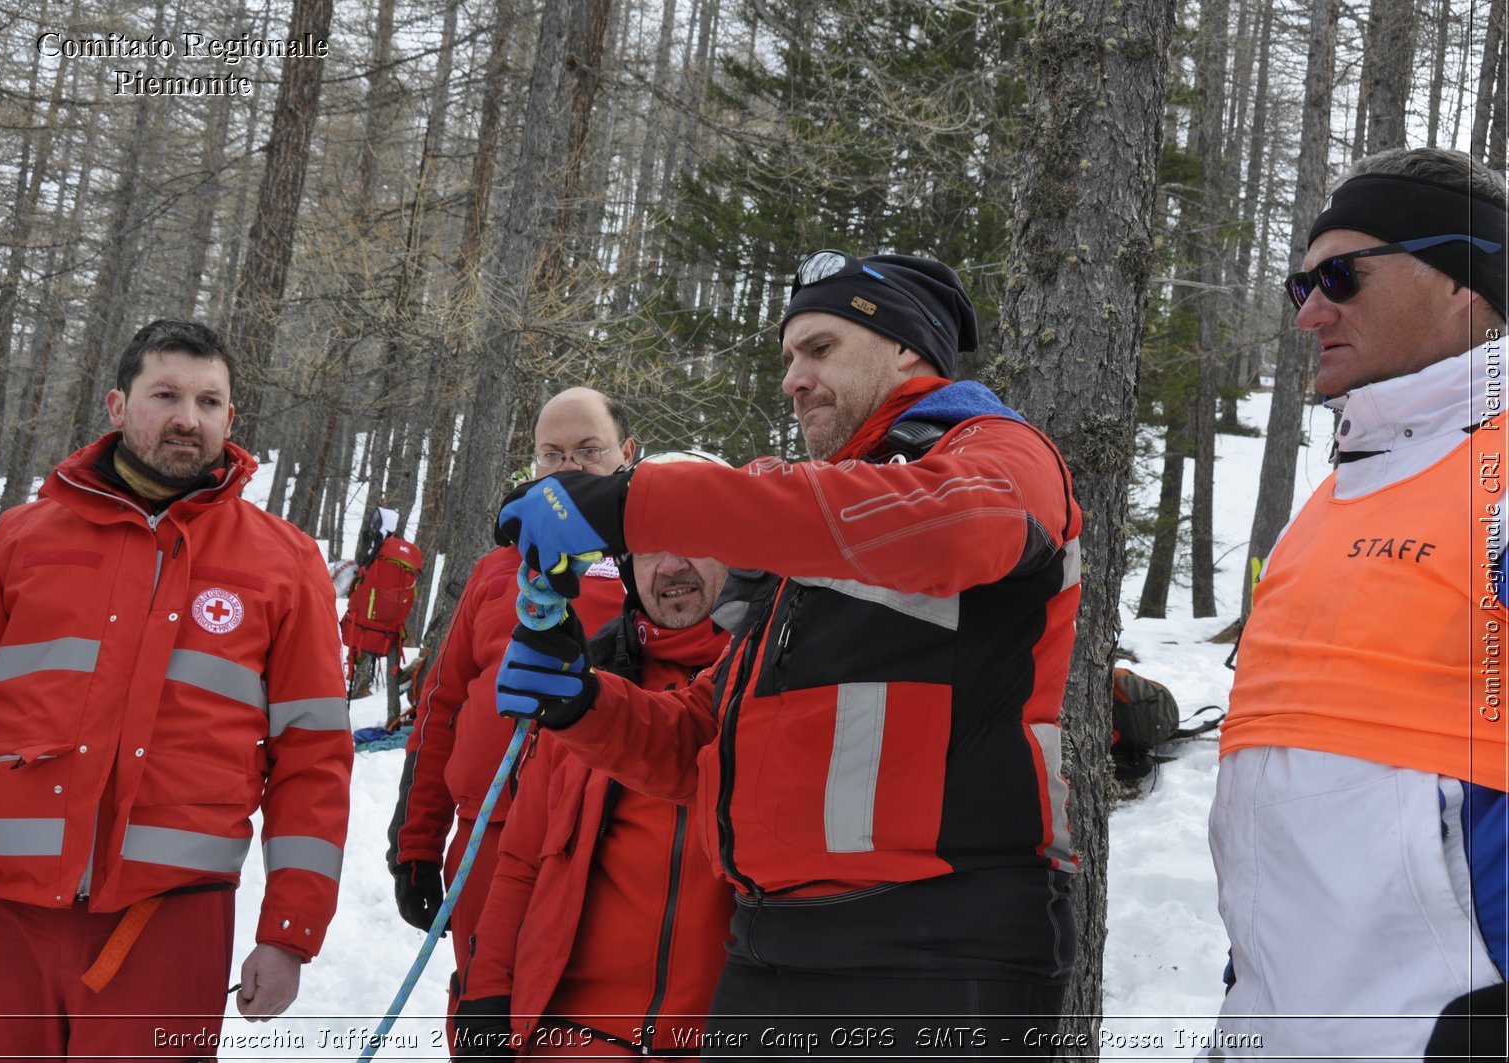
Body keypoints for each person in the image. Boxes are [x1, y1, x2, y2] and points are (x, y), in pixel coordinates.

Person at [493, 251, 1083, 1056]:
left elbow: (958, 525)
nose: (793, 379)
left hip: (938, 943)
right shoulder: (817, 530)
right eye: (788, 358)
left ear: (906, 350)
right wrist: (580, 701)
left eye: (821, 348)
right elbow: (704, 742)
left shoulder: (997, 452)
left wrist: (639, 499)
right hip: (773, 947)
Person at [0, 319, 352, 1058]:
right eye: (166, 394)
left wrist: (290, 932)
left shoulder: (285, 563)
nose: (189, 417)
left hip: (167, 926)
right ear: (117, 406)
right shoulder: (23, 540)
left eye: (210, 402)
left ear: (230, 420)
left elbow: (314, 757)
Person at [1204, 147, 1509, 1061]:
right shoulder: (1333, 497)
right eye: (1301, 285)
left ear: (1465, 278)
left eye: (1341, 275)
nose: (1311, 310)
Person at [453, 451, 737, 1060]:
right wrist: (486, 996)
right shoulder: (583, 683)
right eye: (651, 547)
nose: (672, 565)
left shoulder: (767, 684)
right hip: (571, 1038)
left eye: (693, 540)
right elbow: (523, 856)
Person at [387, 387, 632, 1019]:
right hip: (487, 835)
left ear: (626, 455)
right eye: (551, 455)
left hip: (595, 848)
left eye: (588, 451)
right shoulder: (499, 569)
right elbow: (442, 708)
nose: (567, 470)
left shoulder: (655, 571)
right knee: (480, 1005)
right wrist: (416, 843)